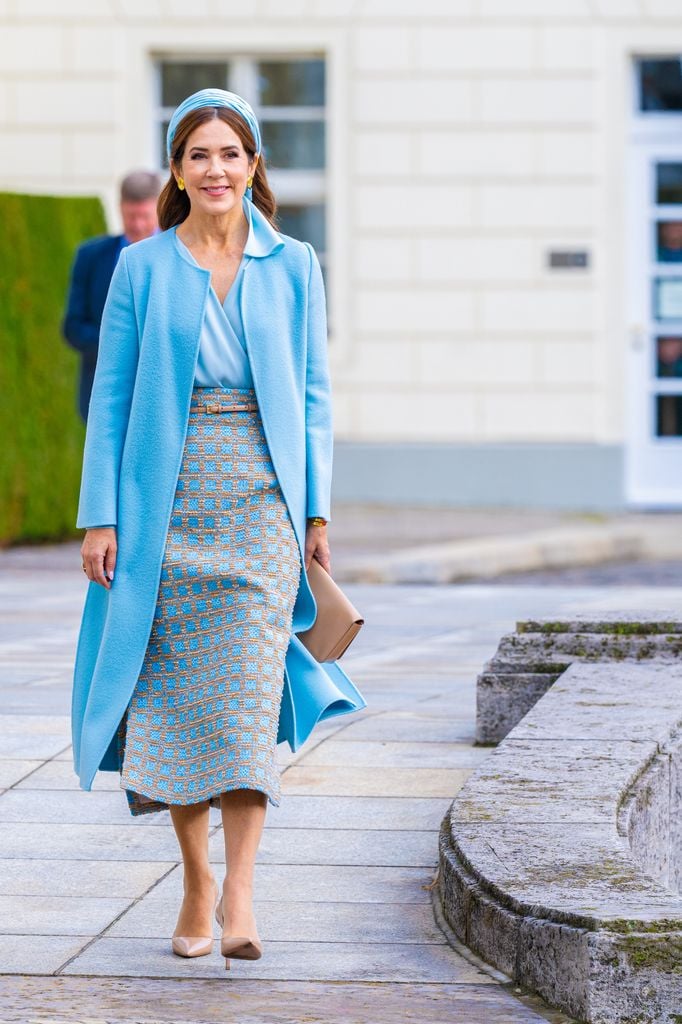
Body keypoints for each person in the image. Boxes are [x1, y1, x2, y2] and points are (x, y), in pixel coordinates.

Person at [70, 89, 366, 970]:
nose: (215, 169)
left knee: (242, 701)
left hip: (262, 503)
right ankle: (195, 878)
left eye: (230, 154)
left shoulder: (295, 263)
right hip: (164, 500)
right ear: (177, 168)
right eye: (198, 154)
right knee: (173, 704)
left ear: (253, 165)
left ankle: (239, 891)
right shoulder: (143, 268)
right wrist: (100, 516)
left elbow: (313, 391)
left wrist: (316, 508)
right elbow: (112, 398)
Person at [62, 170, 161, 421]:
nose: (137, 225)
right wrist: (118, 346)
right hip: (104, 395)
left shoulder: (181, 254)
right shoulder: (90, 256)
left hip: (163, 395)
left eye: (144, 216)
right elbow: (73, 326)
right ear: (120, 209)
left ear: (159, 209)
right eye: (131, 217)